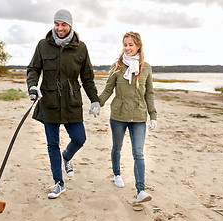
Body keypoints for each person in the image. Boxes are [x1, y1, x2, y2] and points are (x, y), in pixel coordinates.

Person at [26, 9, 100, 199]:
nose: (60, 28)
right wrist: (33, 87)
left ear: (70, 26)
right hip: (49, 102)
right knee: (52, 144)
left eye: (64, 25)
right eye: (57, 24)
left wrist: (94, 99)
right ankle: (58, 183)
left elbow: (87, 77)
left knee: (80, 138)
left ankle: (66, 157)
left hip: (72, 102)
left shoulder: (80, 48)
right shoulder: (43, 45)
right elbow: (33, 69)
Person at [98, 31, 157, 203]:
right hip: (119, 114)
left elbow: (150, 93)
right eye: (125, 44)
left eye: (131, 45)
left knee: (138, 153)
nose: (128, 48)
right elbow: (108, 89)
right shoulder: (117, 66)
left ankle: (141, 191)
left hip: (139, 115)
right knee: (117, 147)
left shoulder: (145, 67)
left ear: (138, 46)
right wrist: (98, 103)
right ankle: (117, 173)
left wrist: (153, 115)